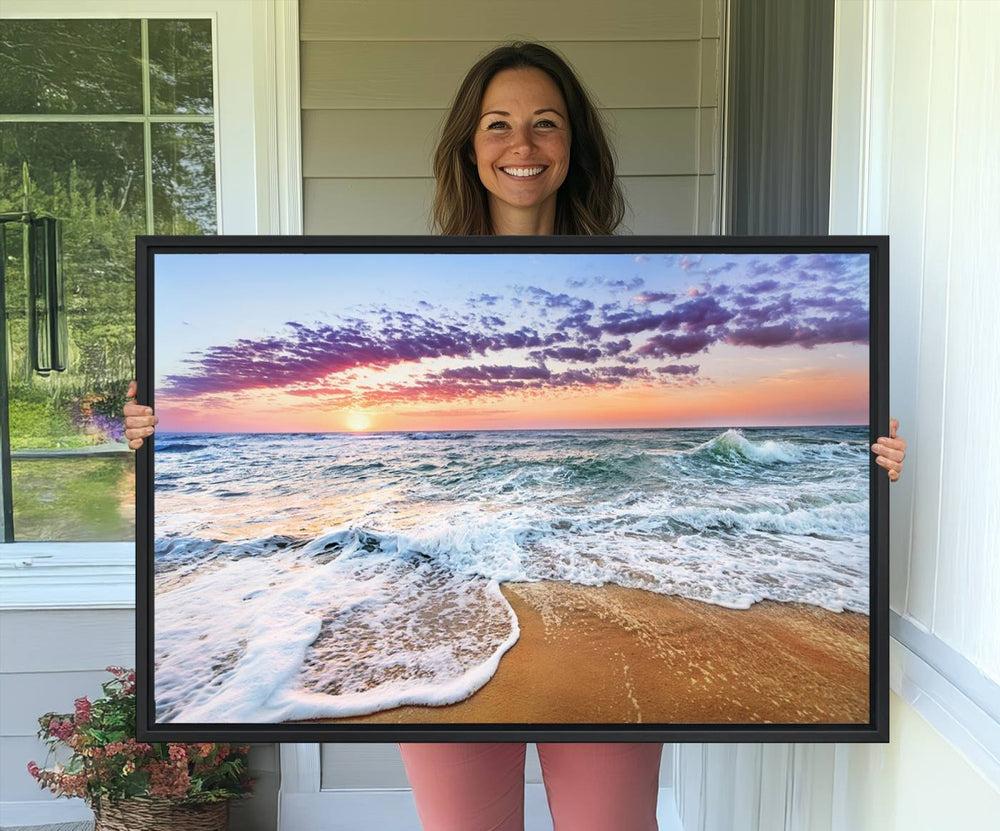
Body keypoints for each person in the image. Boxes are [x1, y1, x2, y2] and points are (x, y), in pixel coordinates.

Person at [123, 42, 907, 831]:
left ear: (574, 147)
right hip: (427, 601)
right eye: (498, 125)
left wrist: (869, 463)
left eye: (545, 124)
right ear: (470, 145)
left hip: (597, 591)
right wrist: (158, 430)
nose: (522, 145)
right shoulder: (413, 281)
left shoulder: (637, 272)